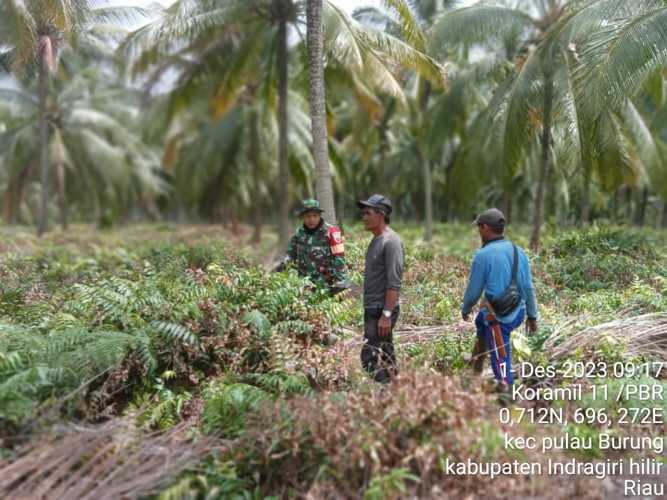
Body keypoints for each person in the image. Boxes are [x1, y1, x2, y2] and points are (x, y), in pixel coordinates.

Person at [461, 208, 538, 390]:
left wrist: (465, 308)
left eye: (479, 227)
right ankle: (477, 364)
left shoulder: (483, 255)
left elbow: (474, 291)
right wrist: (532, 317)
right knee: (481, 321)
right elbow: (528, 287)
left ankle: (507, 395)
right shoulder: (519, 251)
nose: (479, 231)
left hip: (498, 319)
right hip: (517, 312)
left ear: (486, 227)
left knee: (501, 359)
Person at [357, 194, 404, 383]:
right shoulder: (376, 240)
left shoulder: (391, 241)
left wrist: (386, 314)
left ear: (381, 215)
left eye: (368, 213)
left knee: (367, 359)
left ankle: (388, 389)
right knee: (387, 355)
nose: (364, 217)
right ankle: (396, 393)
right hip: (374, 308)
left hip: (381, 309)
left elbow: (394, 282)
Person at [274, 199, 349, 293]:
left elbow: (339, 258)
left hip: (326, 282)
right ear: (303, 217)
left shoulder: (332, 232)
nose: (311, 219)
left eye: (315, 216)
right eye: (308, 216)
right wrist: (282, 265)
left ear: (319, 216)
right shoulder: (299, 233)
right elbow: (291, 254)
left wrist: (341, 282)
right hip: (304, 283)